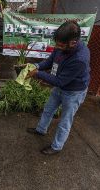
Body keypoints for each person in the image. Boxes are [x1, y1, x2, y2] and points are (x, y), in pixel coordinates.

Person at [26, 21, 90, 155]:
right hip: (60, 87)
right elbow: (50, 61)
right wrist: (37, 66)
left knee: (65, 121)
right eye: (57, 43)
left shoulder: (80, 58)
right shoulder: (62, 44)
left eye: (60, 45)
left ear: (72, 42)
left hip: (73, 92)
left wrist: (38, 74)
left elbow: (60, 81)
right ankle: (41, 130)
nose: (57, 47)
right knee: (48, 109)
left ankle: (56, 147)